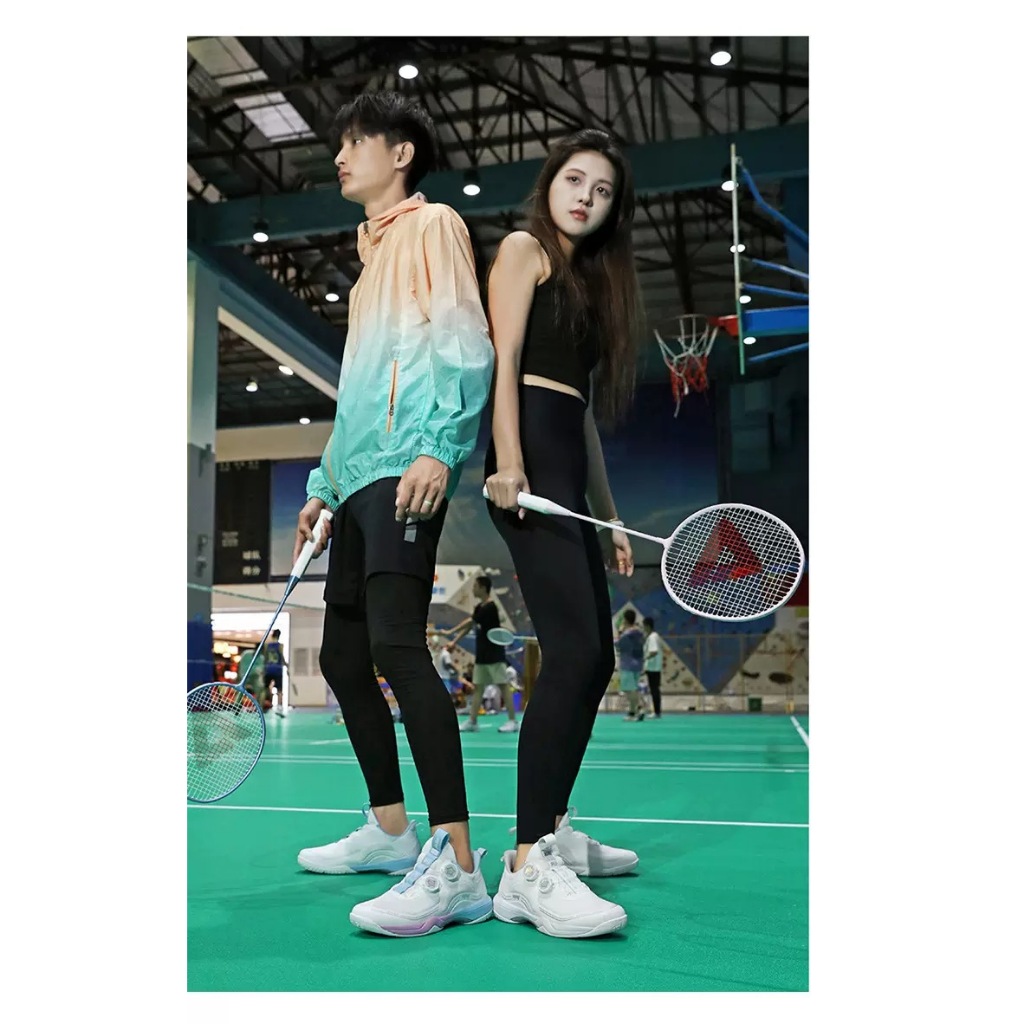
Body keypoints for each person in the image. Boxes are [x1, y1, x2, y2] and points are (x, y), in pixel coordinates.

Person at [290, 91, 495, 938]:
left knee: (397, 648)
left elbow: (463, 339)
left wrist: (440, 446)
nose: (340, 156)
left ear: (401, 152)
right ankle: (388, 828)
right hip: (359, 480)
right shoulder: (370, 263)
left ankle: (460, 867)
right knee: (345, 658)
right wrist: (323, 485)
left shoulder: (432, 225)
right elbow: (358, 393)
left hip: (408, 467)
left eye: (355, 141)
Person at [483, 128, 645, 938]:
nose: (586, 197)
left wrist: (608, 512)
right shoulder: (523, 251)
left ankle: (552, 827)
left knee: (598, 659)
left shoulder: (589, 286)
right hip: (525, 470)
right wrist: (509, 462)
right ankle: (523, 866)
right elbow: (505, 363)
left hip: (565, 469)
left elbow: (580, 419)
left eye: (603, 190)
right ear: (550, 182)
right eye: (575, 179)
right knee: (574, 653)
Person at [447, 576, 518, 733]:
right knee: (478, 688)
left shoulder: (490, 607)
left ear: (483, 588)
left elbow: (470, 622)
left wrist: (450, 631)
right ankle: (472, 722)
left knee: (503, 686)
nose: (473, 589)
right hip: (482, 656)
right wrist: (454, 641)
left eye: (475, 586)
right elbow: (469, 627)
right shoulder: (479, 607)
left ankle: (513, 721)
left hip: (494, 655)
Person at [616, 610, 646, 721]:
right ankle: (635, 711)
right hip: (638, 663)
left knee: (630, 689)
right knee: (633, 688)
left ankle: (637, 710)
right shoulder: (640, 632)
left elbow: (618, 645)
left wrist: (619, 632)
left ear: (625, 619)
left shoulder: (626, 634)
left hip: (627, 663)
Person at [263, 629, 288, 715]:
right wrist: (287, 666)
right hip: (278, 669)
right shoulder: (280, 646)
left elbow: (265, 658)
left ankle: (264, 704)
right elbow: (282, 658)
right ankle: (279, 706)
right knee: (279, 690)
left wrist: (263, 669)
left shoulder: (267, 646)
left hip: (268, 669)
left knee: (265, 688)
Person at [642, 616, 664, 719]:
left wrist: (644, 658)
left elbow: (654, 651)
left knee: (654, 690)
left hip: (653, 668)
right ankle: (656, 711)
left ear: (647, 626)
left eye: (644, 626)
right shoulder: (654, 636)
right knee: (654, 689)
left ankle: (656, 712)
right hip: (654, 667)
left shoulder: (652, 637)